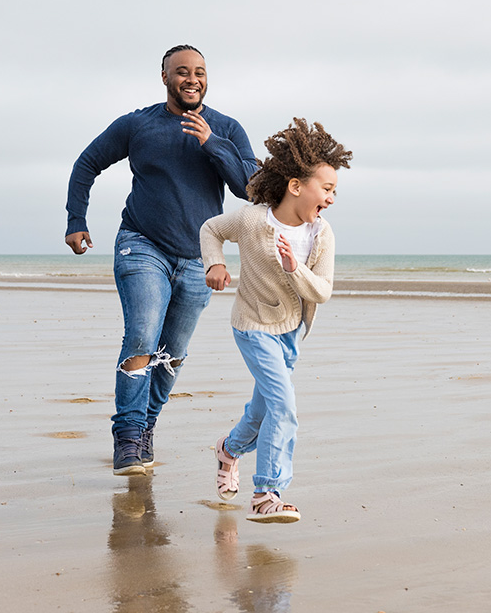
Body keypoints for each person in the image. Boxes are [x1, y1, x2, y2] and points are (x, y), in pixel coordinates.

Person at [65, 45, 257, 475]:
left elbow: (251, 187)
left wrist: (213, 143)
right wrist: (76, 218)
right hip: (141, 244)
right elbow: (87, 162)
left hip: (198, 257)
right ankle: (129, 436)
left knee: (173, 355)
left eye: (200, 72)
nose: (192, 78)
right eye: (182, 71)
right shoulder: (139, 123)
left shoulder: (226, 127)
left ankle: (146, 425)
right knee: (142, 338)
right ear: (165, 76)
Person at [200, 118, 352, 523]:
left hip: (290, 333)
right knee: (284, 406)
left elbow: (321, 290)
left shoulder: (322, 235)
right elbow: (210, 229)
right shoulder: (252, 221)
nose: (332, 198)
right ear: (296, 186)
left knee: (261, 412)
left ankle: (228, 451)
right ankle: (267, 493)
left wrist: (293, 268)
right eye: (327, 188)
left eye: (335, 190)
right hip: (252, 326)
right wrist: (214, 264)